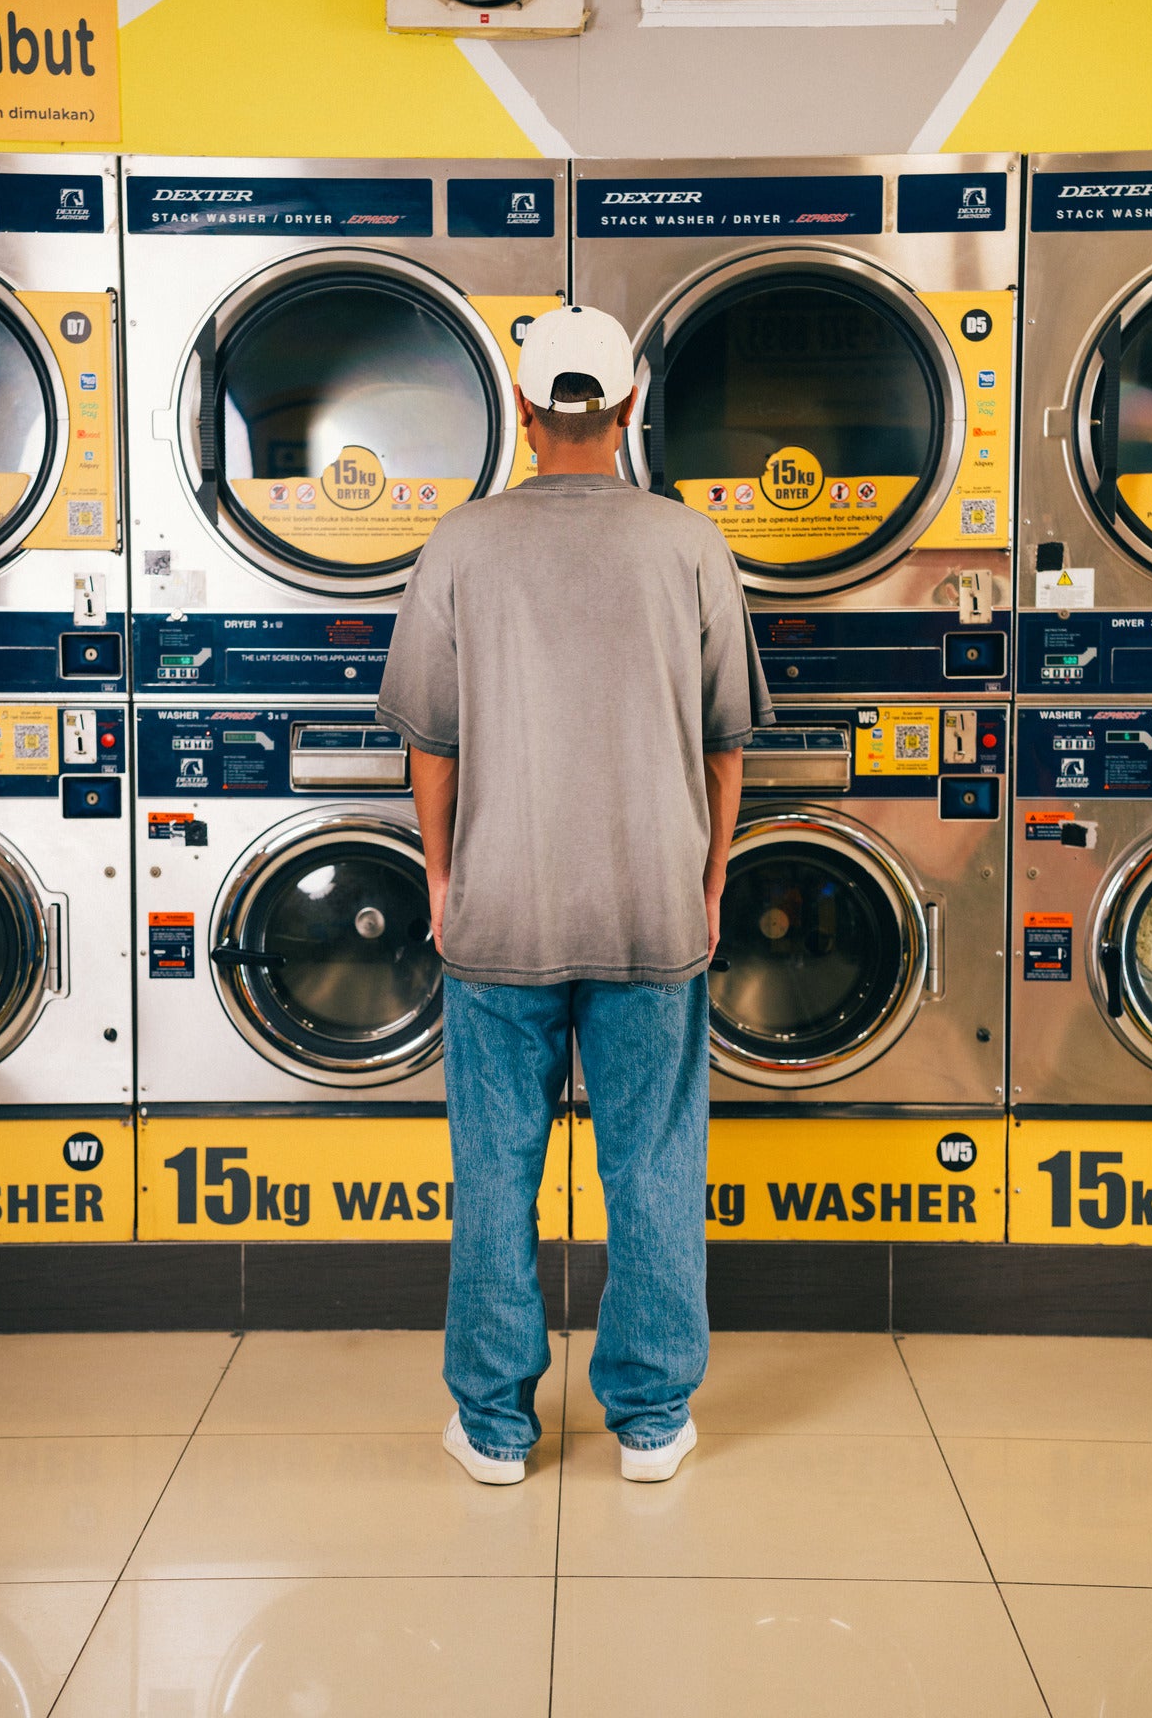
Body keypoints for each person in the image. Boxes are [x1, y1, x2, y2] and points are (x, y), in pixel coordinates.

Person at [375, 304, 773, 1486]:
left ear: (523, 407)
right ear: (629, 407)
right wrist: (705, 886)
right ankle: (650, 1422)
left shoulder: (462, 545)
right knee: (651, 1162)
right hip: (653, 905)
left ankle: (496, 1427)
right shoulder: (689, 544)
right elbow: (725, 746)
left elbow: (431, 747)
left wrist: (443, 879)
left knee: (494, 1167)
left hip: (503, 908)